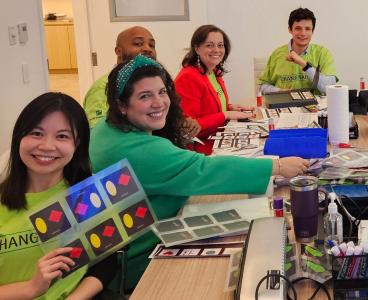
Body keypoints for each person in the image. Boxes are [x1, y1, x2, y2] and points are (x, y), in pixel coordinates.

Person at [89, 54, 309, 289]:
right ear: (122, 105)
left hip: (117, 251)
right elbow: (202, 169)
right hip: (139, 264)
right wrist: (277, 166)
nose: (159, 102)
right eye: (145, 96)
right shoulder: (139, 151)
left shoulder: (107, 128)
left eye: (162, 92)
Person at [0, 92, 115, 299]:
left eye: (62, 136)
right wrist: (31, 288)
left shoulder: (90, 196)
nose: (46, 146)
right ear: (19, 137)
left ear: (77, 144)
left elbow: (108, 259)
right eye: (36, 133)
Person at [82, 26, 201, 137]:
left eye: (152, 45)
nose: (147, 49)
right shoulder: (102, 87)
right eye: (138, 43)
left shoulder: (155, 80)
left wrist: (180, 124)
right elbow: (98, 136)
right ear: (118, 51)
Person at [176, 25, 255, 155]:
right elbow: (188, 128)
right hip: (201, 149)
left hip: (217, 138)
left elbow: (208, 108)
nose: (216, 50)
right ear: (197, 48)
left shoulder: (214, 72)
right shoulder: (188, 77)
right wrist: (226, 115)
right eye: (209, 45)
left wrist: (230, 108)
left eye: (220, 45)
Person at [259, 7, 337, 95]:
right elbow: (262, 87)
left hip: (316, 107)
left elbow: (330, 89)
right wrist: (281, 91)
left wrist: (304, 65)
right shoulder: (276, 54)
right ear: (290, 29)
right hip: (284, 105)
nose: (303, 33)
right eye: (298, 28)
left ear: (313, 31)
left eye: (307, 29)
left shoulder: (323, 53)